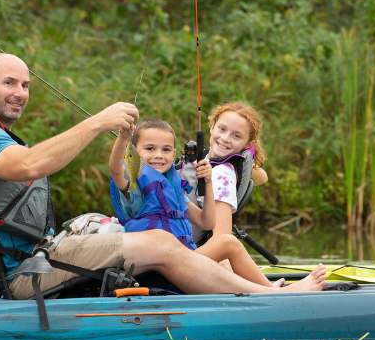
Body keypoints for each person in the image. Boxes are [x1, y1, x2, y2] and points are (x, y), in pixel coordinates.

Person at [0, 53, 326, 300]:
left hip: (40, 256)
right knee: (159, 241)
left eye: (25, 85)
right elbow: (29, 165)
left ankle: (254, 287)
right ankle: (273, 297)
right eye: (9, 83)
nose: (20, 93)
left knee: (147, 237)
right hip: (25, 275)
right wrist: (98, 123)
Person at [108, 119, 290, 288]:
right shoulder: (134, 186)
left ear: (173, 154)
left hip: (177, 263)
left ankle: (262, 290)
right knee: (228, 244)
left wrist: (208, 182)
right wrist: (124, 136)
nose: (158, 155)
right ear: (133, 153)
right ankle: (272, 293)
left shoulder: (173, 190)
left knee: (226, 249)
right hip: (152, 268)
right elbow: (115, 168)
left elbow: (207, 222)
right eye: (149, 148)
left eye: (165, 150)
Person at [193, 101, 273, 275]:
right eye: (222, 129)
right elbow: (263, 177)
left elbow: (222, 240)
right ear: (212, 127)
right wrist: (243, 164)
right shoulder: (207, 159)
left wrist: (226, 277)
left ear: (247, 144)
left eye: (236, 136)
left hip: (191, 257)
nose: (225, 138)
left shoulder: (221, 175)